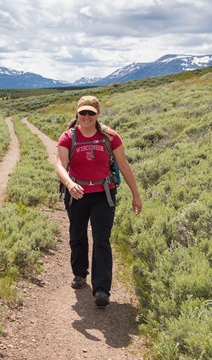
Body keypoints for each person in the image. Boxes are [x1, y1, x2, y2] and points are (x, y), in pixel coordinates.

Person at [55, 95, 142, 306]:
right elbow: (59, 164)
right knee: (77, 234)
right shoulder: (68, 137)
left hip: (104, 193)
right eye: (83, 112)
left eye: (91, 113)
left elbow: (123, 165)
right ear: (77, 113)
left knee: (101, 239)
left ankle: (102, 289)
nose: (86, 116)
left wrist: (135, 195)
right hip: (77, 193)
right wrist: (69, 184)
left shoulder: (109, 137)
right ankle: (80, 273)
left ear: (97, 114)